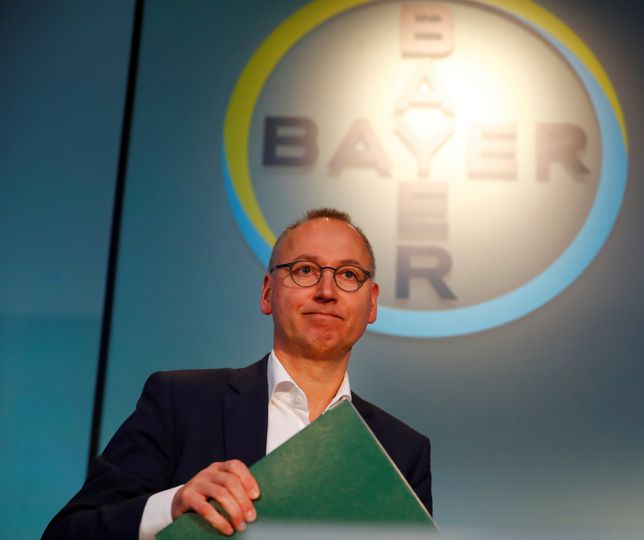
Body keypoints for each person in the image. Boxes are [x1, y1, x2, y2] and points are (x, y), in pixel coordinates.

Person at [44, 208, 432, 539]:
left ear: (372, 304)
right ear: (267, 293)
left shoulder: (401, 450)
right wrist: (174, 505)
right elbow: (68, 533)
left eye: (348, 275)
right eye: (305, 270)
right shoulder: (181, 402)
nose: (326, 290)